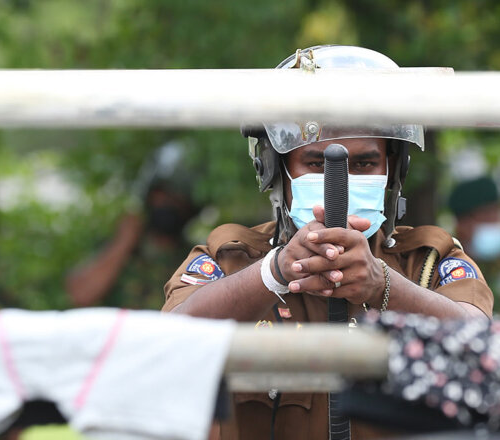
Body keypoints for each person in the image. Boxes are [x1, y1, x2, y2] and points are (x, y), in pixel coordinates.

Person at [162, 45, 493, 439]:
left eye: (365, 164)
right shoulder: (230, 259)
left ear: (394, 169)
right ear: (276, 170)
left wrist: (384, 285)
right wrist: (274, 272)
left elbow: (479, 341)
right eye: (317, 163)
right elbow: (166, 343)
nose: (343, 180)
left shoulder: (428, 261)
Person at [67, 141, 200, 310]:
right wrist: (124, 241)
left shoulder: (194, 258)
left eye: (178, 200)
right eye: (163, 195)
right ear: (151, 195)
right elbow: (80, 294)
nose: (170, 204)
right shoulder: (118, 247)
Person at [449, 175, 500, 306]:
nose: (496, 221)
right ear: (461, 224)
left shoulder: (494, 268)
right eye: (487, 215)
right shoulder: (446, 272)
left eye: (497, 212)